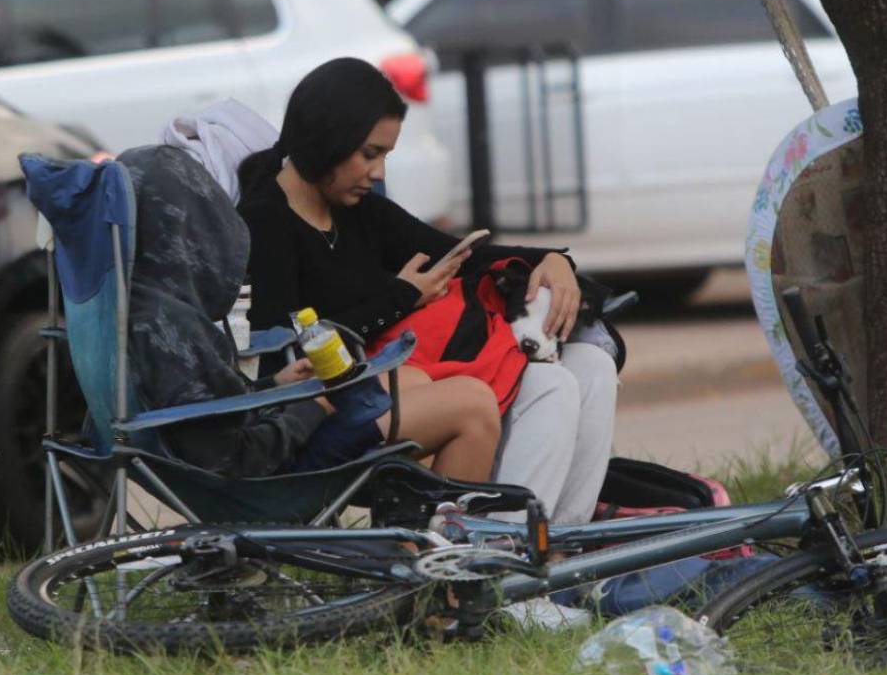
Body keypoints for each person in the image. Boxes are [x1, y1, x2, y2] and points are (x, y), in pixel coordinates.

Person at [237, 57, 618, 524]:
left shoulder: (357, 211)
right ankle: (500, 555)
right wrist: (399, 298)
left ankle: (558, 550)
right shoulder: (264, 224)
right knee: (545, 384)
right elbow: (284, 358)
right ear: (326, 140)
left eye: (385, 157)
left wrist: (553, 261)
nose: (377, 172)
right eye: (369, 154)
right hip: (327, 406)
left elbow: (459, 253)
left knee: (591, 365)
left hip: (404, 377)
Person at [119, 143, 500, 481]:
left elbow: (208, 414)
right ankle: (441, 547)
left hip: (264, 432)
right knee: (473, 403)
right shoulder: (169, 326)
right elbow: (238, 458)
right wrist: (316, 403)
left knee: (412, 378)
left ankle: (409, 524)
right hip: (271, 472)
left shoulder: (140, 305)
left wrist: (275, 387)